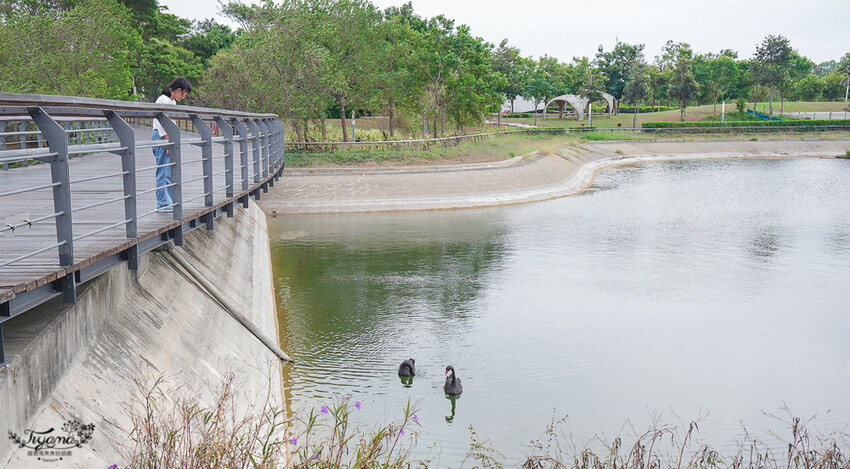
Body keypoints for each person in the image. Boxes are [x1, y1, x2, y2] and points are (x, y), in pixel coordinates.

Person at [152, 77, 192, 212]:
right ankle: (162, 202)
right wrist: (167, 139)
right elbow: (160, 122)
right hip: (162, 136)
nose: (184, 96)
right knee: (163, 170)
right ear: (178, 90)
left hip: (167, 136)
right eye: (184, 93)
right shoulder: (163, 100)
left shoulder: (172, 101)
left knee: (168, 171)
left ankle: (167, 201)